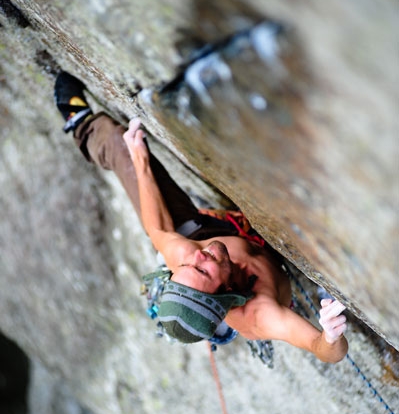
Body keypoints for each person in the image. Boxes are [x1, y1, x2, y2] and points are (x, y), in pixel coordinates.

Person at [54, 71, 348, 363]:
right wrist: (331, 335)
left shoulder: (188, 256)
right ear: (226, 294)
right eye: (203, 271)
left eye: (188, 265)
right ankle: (82, 125)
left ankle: (91, 129)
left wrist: (140, 160)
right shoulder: (260, 314)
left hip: (204, 229)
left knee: (124, 147)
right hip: (241, 248)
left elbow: (157, 230)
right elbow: (323, 351)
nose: (199, 257)